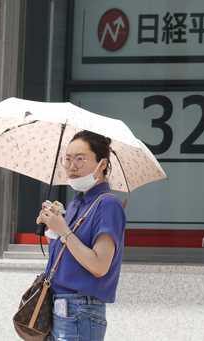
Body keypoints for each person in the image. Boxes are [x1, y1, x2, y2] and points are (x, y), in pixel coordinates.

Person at [36, 130, 126, 341]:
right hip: (59, 305)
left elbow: (99, 266)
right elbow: (69, 258)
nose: (71, 166)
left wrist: (64, 231)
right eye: (67, 159)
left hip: (81, 309)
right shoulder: (77, 202)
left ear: (102, 164)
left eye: (80, 159)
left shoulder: (107, 205)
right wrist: (53, 228)